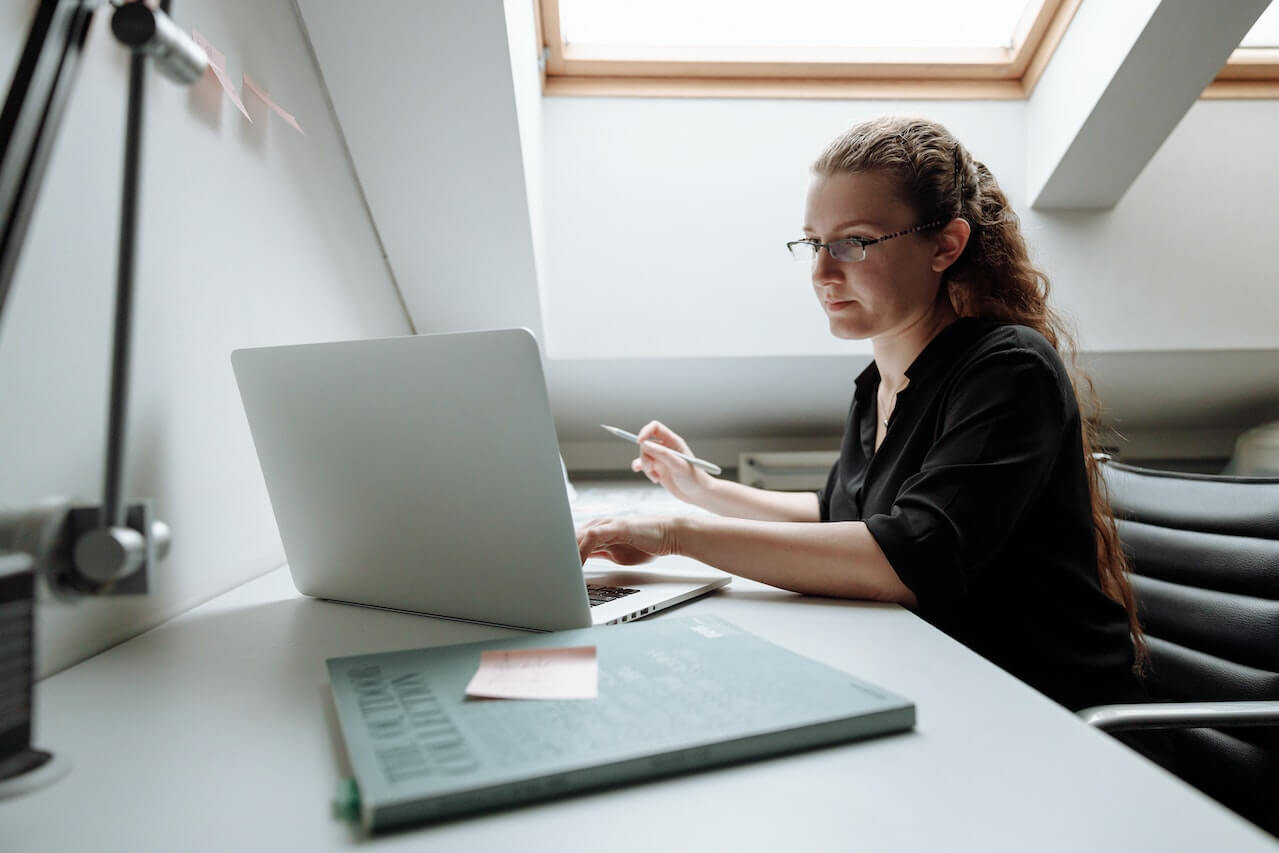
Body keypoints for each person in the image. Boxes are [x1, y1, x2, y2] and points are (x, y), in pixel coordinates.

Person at [575, 115, 1149, 713]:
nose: (823, 272)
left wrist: (678, 534)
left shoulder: (1009, 370)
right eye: (813, 243)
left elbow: (905, 558)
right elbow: (839, 517)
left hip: (1047, 710)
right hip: (938, 679)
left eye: (853, 242)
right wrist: (701, 491)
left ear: (946, 245)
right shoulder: (880, 381)